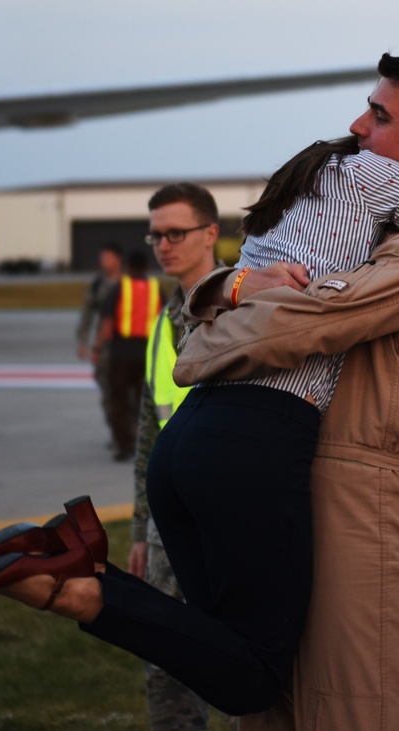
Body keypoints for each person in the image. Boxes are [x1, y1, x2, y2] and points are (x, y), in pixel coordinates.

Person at [0, 52, 399, 721]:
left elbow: (308, 317)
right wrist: (233, 285)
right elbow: (276, 289)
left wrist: (199, 351)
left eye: (378, 113)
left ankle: (81, 588)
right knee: (259, 683)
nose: (357, 124)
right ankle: (82, 588)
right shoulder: (372, 228)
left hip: (358, 504)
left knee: (340, 705)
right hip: (279, 469)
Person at [129, 183, 223, 730]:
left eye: (175, 233)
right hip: (170, 525)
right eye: (156, 235)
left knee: (239, 657)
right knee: (166, 657)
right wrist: (140, 529)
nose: (164, 245)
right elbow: (149, 436)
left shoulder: (249, 304)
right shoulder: (161, 323)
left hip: (230, 519)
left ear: (211, 233)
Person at [93, 250, 164, 461]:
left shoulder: (119, 288)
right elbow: (166, 319)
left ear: (128, 267)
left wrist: (97, 348)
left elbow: (107, 324)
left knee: (119, 401)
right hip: (149, 353)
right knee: (146, 401)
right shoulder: (155, 289)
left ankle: (124, 445)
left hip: (121, 354)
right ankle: (149, 444)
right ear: (146, 267)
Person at [76, 242, 123, 450]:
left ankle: (128, 434)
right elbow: (87, 315)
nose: (102, 262)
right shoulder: (97, 285)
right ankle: (117, 433)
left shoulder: (129, 283)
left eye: (107, 258)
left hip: (126, 346)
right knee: (107, 392)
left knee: (129, 394)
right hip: (104, 347)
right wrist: (83, 341)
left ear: (117, 259)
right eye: (101, 258)